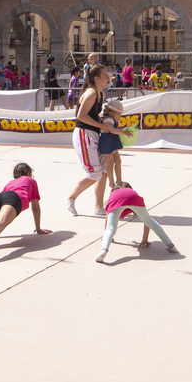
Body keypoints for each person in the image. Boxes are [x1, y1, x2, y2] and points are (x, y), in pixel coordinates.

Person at [67, 64, 118, 216]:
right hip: (85, 134)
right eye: (105, 76)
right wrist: (101, 125)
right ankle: (71, 197)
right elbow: (81, 116)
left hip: (93, 134)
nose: (108, 78)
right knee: (94, 173)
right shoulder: (91, 93)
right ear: (96, 78)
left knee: (103, 171)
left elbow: (93, 115)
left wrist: (106, 122)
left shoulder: (100, 94)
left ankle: (98, 207)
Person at [95, 182, 178, 264]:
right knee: (150, 221)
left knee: (111, 228)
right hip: (133, 197)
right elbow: (147, 223)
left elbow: (107, 223)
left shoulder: (114, 194)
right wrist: (145, 239)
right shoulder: (132, 193)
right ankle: (171, 246)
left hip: (116, 199)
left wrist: (109, 237)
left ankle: (104, 250)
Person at [98, 100, 126, 188]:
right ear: (111, 113)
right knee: (110, 163)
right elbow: (112, 130)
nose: (120, 116)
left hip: (112, 142)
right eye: (118, 114)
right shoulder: (108, 120)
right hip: (106, 142)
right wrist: (124, 133)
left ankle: (119, 179)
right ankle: (111, 182)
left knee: (118, 160)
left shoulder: (112, 119)